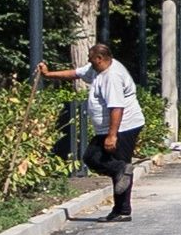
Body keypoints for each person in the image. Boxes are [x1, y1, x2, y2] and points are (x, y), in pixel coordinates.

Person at [40, 43, 145, 222]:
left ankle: (122, 208)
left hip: (124, 126)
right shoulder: (97, 69)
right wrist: (49, 75)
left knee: (97, 159)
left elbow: (117, 108)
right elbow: (75, 74)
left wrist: (112, 136)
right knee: (116, 168)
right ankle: (121, 208)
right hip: (110, 127)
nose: (88, 59)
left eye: (90, 57)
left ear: (99, 58)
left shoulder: (112, 76)